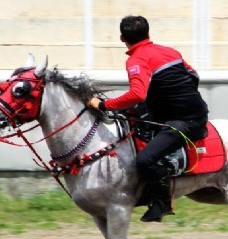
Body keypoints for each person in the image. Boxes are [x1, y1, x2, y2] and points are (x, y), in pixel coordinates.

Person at [88, 15, 209, 222]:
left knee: (145, 160)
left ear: (121, 38)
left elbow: (137, 94)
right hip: (190, 112)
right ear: (148, 33)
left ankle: (162, 203)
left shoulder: (135, 60)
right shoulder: (170, 51)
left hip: (185, 122)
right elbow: (194, 75)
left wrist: (103, 105)